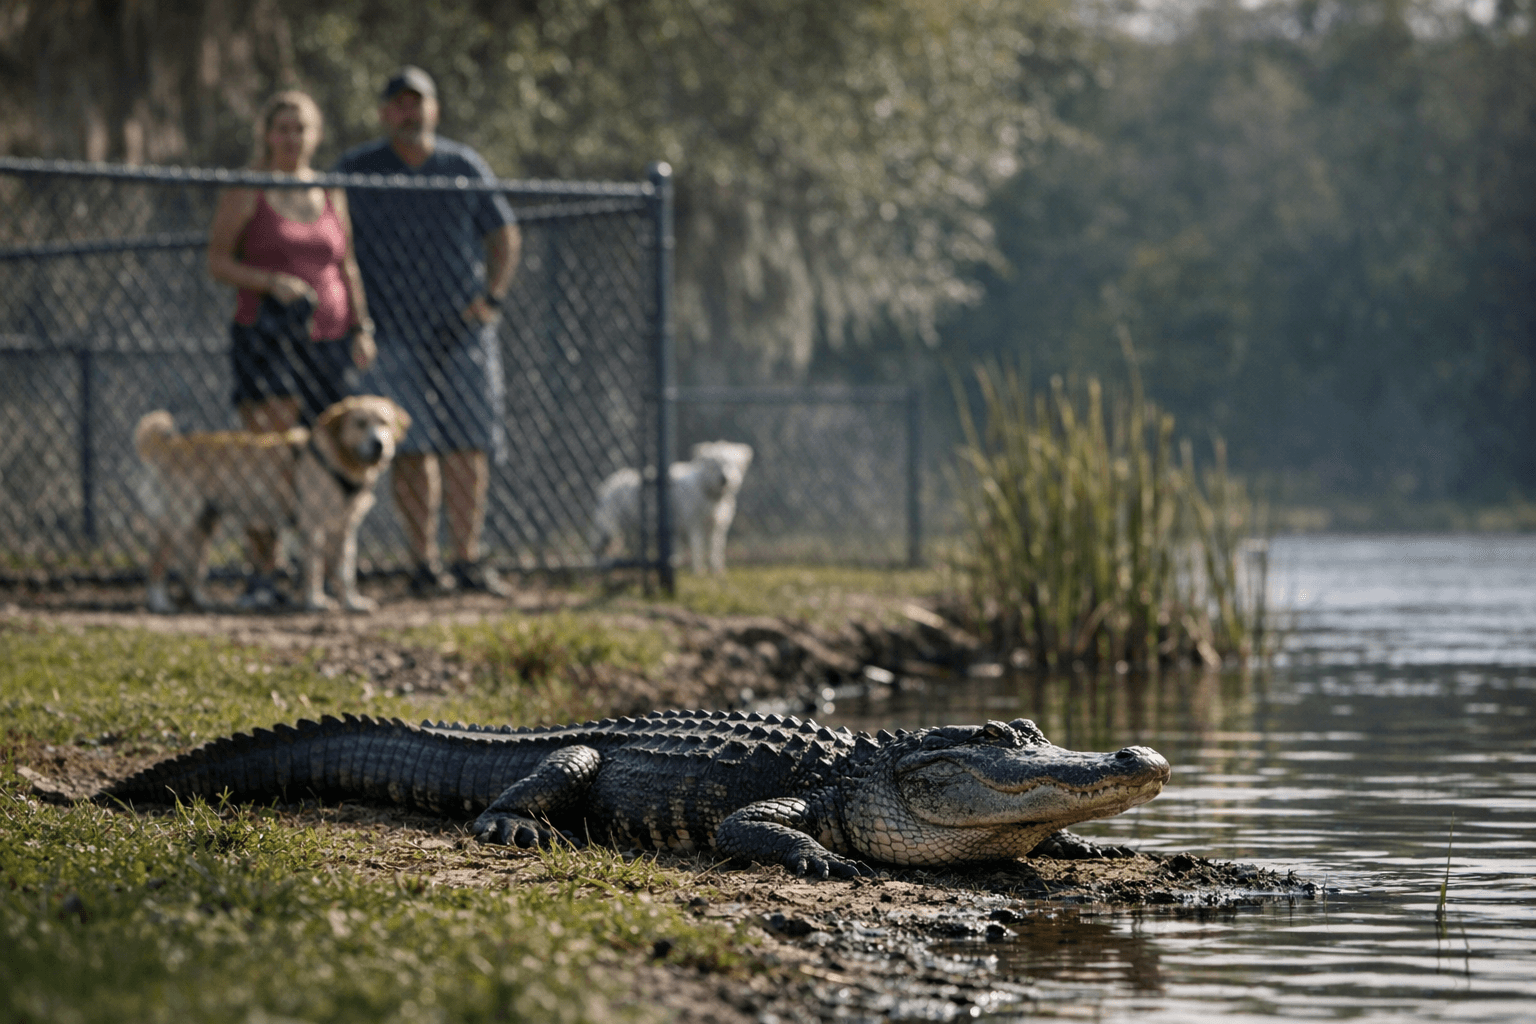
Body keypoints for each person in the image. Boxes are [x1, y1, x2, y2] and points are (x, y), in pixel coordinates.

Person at [334, 66, 521, 597]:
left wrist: (492, 298)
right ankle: (423, 564)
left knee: (468, 443)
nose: (409, 112)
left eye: (418, 102)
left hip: (461, 332)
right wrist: (356, 319)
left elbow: (505, 234)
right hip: (389, 331)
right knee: (410, 447)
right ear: (383, 112)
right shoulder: (358, 169)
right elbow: (335, 241)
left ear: (434, 109)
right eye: (399, 103)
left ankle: (467, 559)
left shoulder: (463, 166)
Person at [207, 89, 376, 609]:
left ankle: (323, 579)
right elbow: (218, 261)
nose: (291, 138)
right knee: (270, 455)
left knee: (330, 458)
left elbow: (346, 265)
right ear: (267, 133)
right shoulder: (248, 189)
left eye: (300, 128)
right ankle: (264, 574)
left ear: (315, 135)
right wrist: (270, 282)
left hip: (329, 339)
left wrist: (362, 326)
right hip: (267, 336)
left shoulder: (330, 190)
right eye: (282, 128)